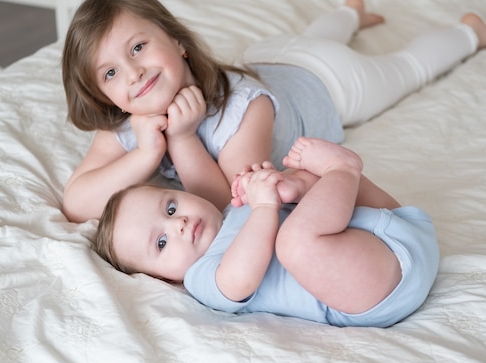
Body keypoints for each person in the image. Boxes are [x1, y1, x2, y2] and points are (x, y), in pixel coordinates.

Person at [62, 0, 486, 222]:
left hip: (327, 78)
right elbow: (77, 202)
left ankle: (470, 31)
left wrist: (180, 139)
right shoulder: (126, 121)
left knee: (404, 69)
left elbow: (233, 200)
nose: (133, 73)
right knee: (311, 38)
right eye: (111, 72)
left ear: (177, 40)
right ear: (104, 93)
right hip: (271, 54)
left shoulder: (245, 111)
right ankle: (351, 11)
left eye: (138, 47)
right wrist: (143, 155)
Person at [93, 137, 440, 327]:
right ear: (164, 279)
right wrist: (263, 207)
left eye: (170, 208)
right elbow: (242, 278)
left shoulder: (234, 207)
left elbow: (317, 210)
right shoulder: (202, 277)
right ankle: (343, 169)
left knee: (304, 184)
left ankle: (334, 175)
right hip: (377, 289)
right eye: (162, 242)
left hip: (400, 228)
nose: (178, 223)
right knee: (293, 244)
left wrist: (279, 185)